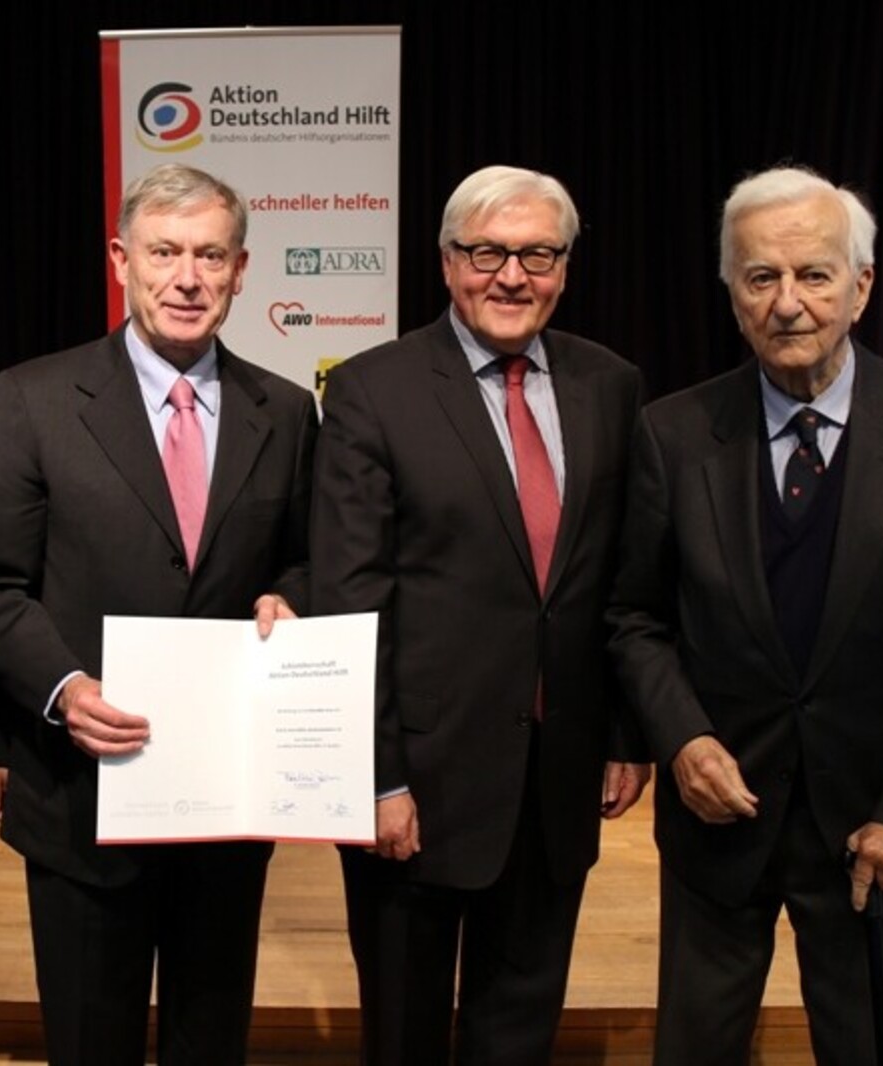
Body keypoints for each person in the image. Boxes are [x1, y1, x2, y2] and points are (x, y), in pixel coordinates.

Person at [606, 165, 883, 1066]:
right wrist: (679, 738)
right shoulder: (672, 435)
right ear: (732, 293)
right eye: (761, 278)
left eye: (815, 274)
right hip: (720, 824)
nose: (788, 302)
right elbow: (636, 615)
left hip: (881, 832)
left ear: (862, 286)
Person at [0, 163, 316, 1066]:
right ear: (122, 259)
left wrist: (296, 598)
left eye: (209, 255)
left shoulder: (290, 410)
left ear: (241, 270)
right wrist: (64, 687)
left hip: (225, 814)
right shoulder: (34, 398)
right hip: (81, 801)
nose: (186, 277)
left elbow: (307, 560)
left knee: (213, 1040)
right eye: (164, 252)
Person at [311, 164, 650, 1065]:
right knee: (405, 1032)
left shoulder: (612, 387)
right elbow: (352, 600)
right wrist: (376, 778)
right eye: (487, 251)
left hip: (557, 776)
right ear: (448, 261)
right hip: (415, 785)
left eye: (537, 253)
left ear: (566, 266)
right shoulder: (370, 391)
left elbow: (623, 582)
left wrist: (623, 731)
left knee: (520, 1029)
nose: (512, 274)